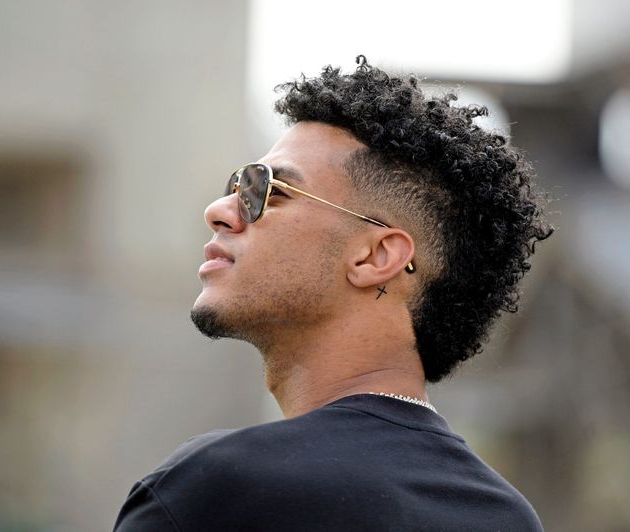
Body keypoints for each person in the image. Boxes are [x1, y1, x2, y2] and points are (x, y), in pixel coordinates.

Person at [114, 56, 552, 531]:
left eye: (270, 191)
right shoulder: (503, 517)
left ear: (375, 257)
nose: (219, 210)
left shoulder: (220, 493)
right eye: (235, 186)